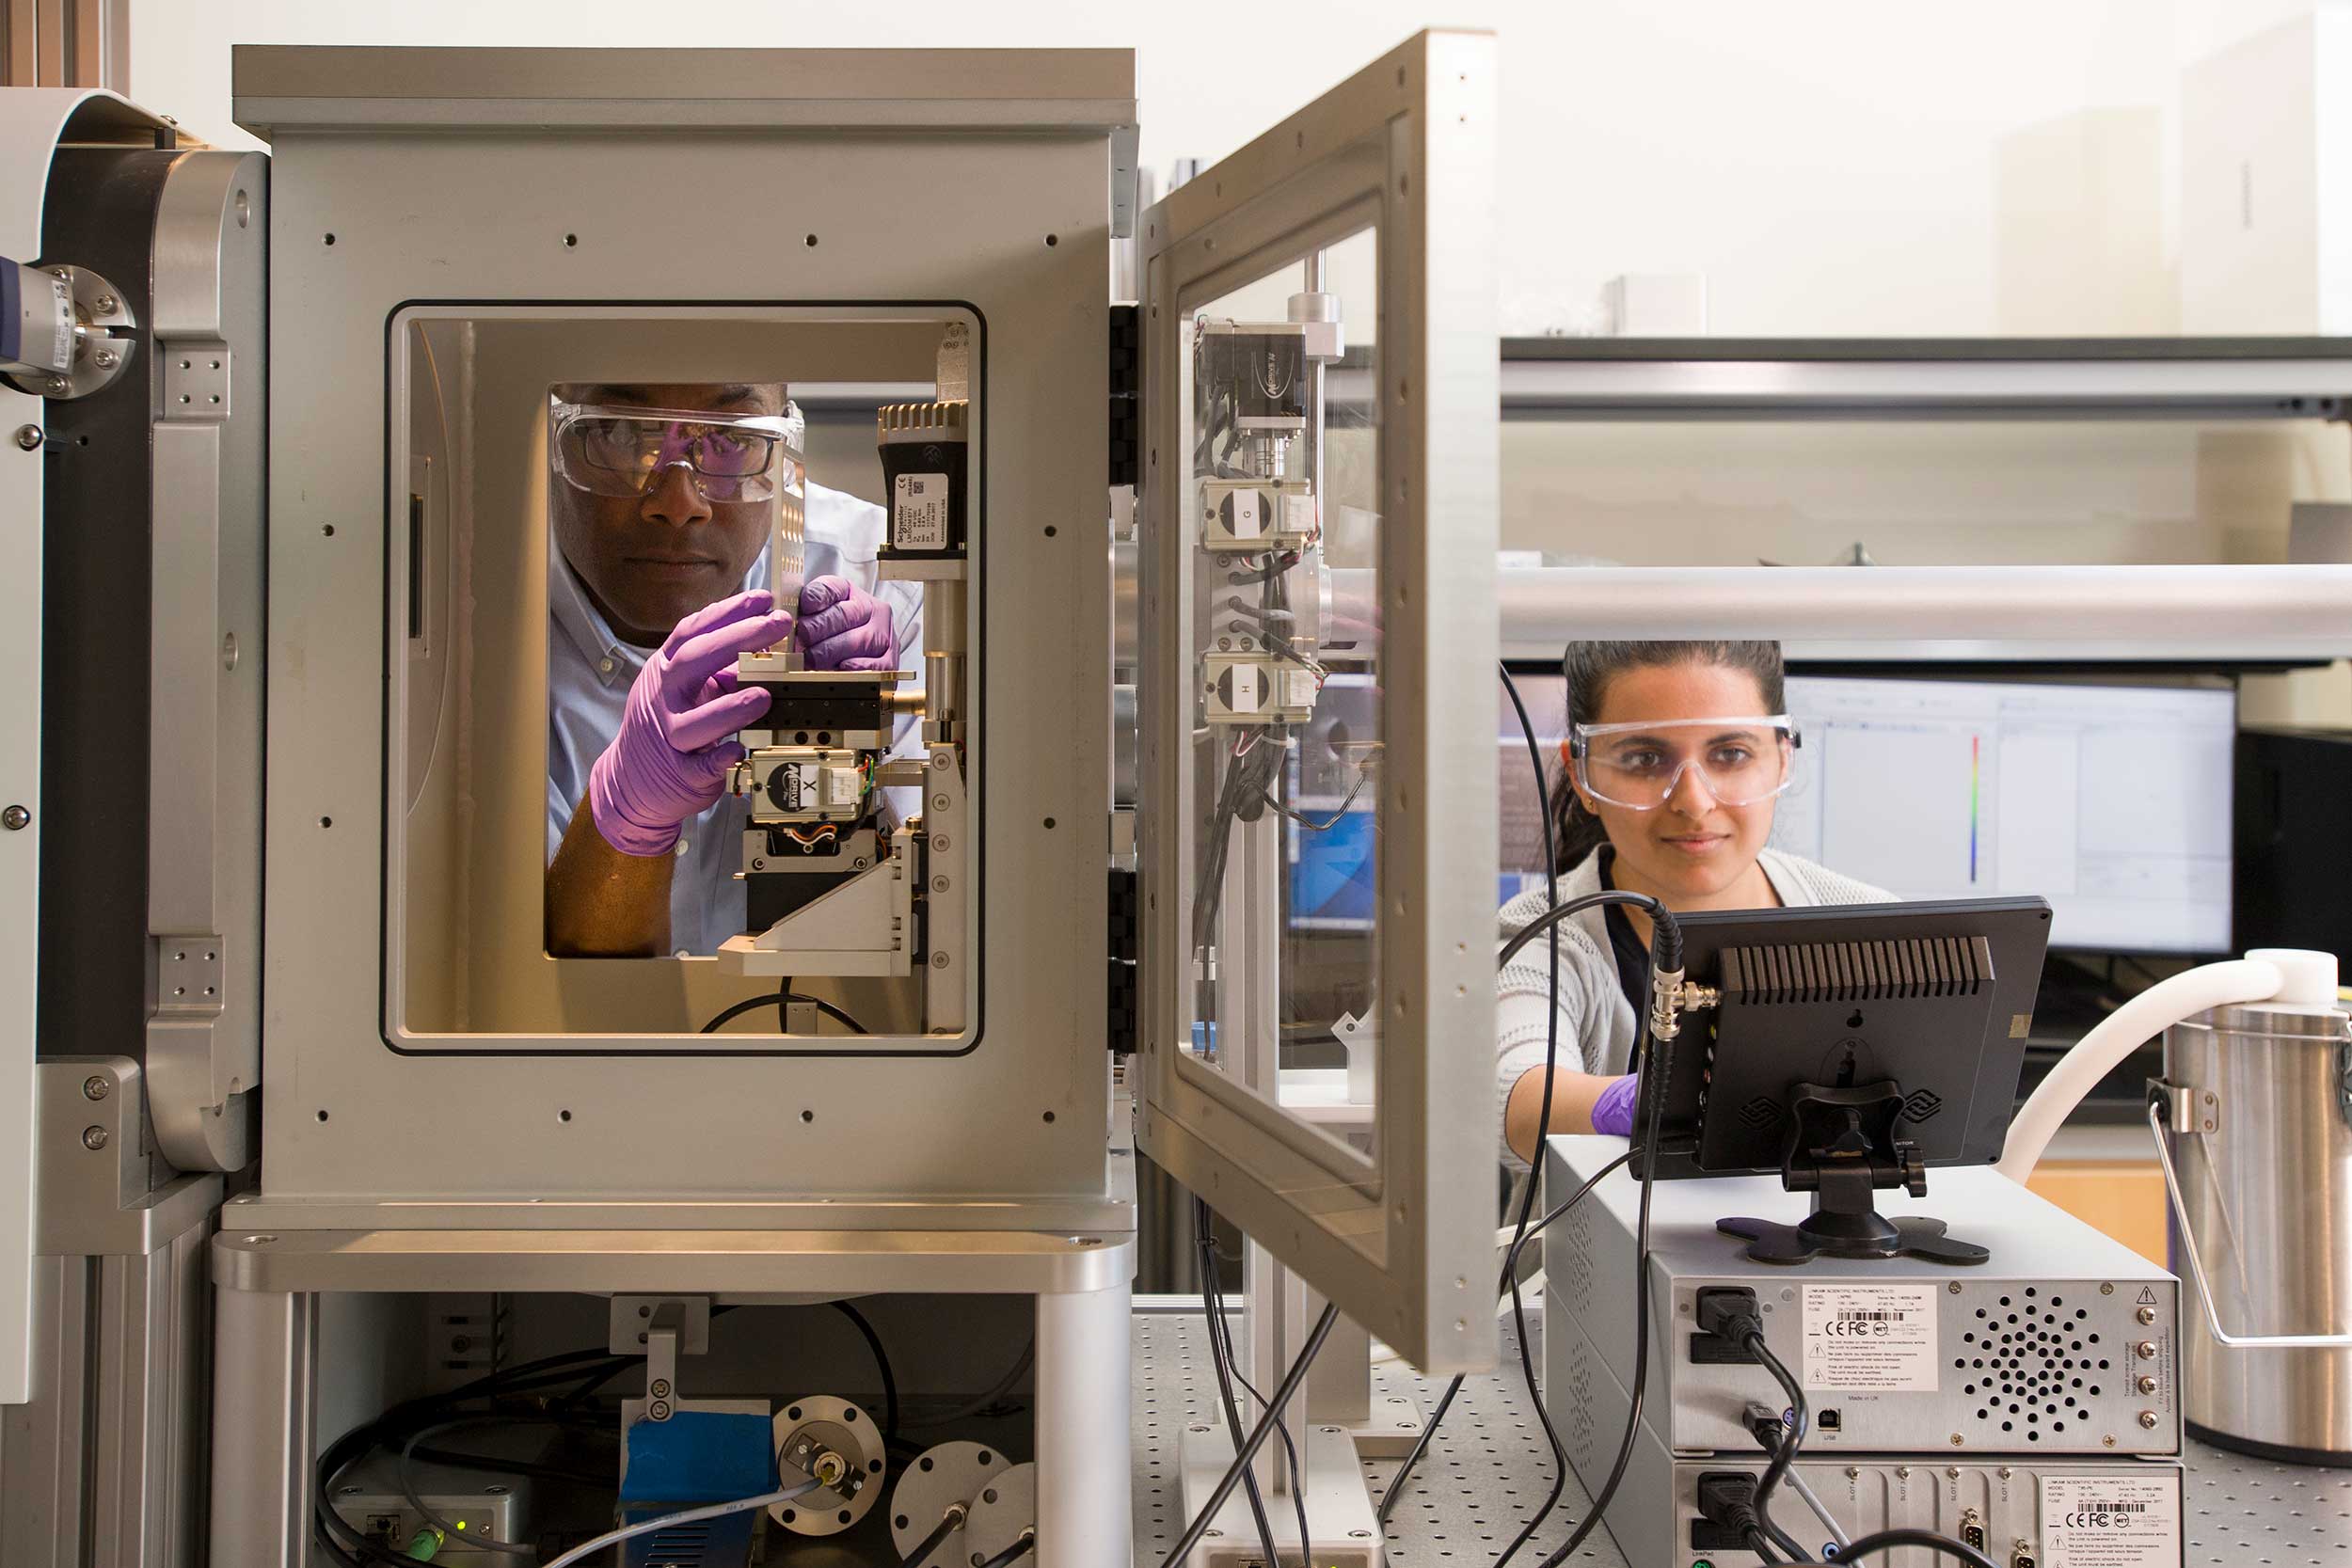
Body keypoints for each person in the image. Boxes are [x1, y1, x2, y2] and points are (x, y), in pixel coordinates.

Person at [542, 382, 920, 958]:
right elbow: (510, 979)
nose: (679, 503)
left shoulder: (886, 578)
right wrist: (625, 817)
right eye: (622, 433)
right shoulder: (468, 606)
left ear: (786, 444)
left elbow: (949, 918)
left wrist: (864, 752)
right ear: (551, 435)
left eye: (732, 440)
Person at [1496, 640, 1891, 1170]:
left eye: (1730, 754)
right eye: (1645, 758)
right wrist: (1648, 1103)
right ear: (1582, 775)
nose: (1694, 802)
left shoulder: (1869, 924)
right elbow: (1516, 1099)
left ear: (1782, 759)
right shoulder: (1540, 936)